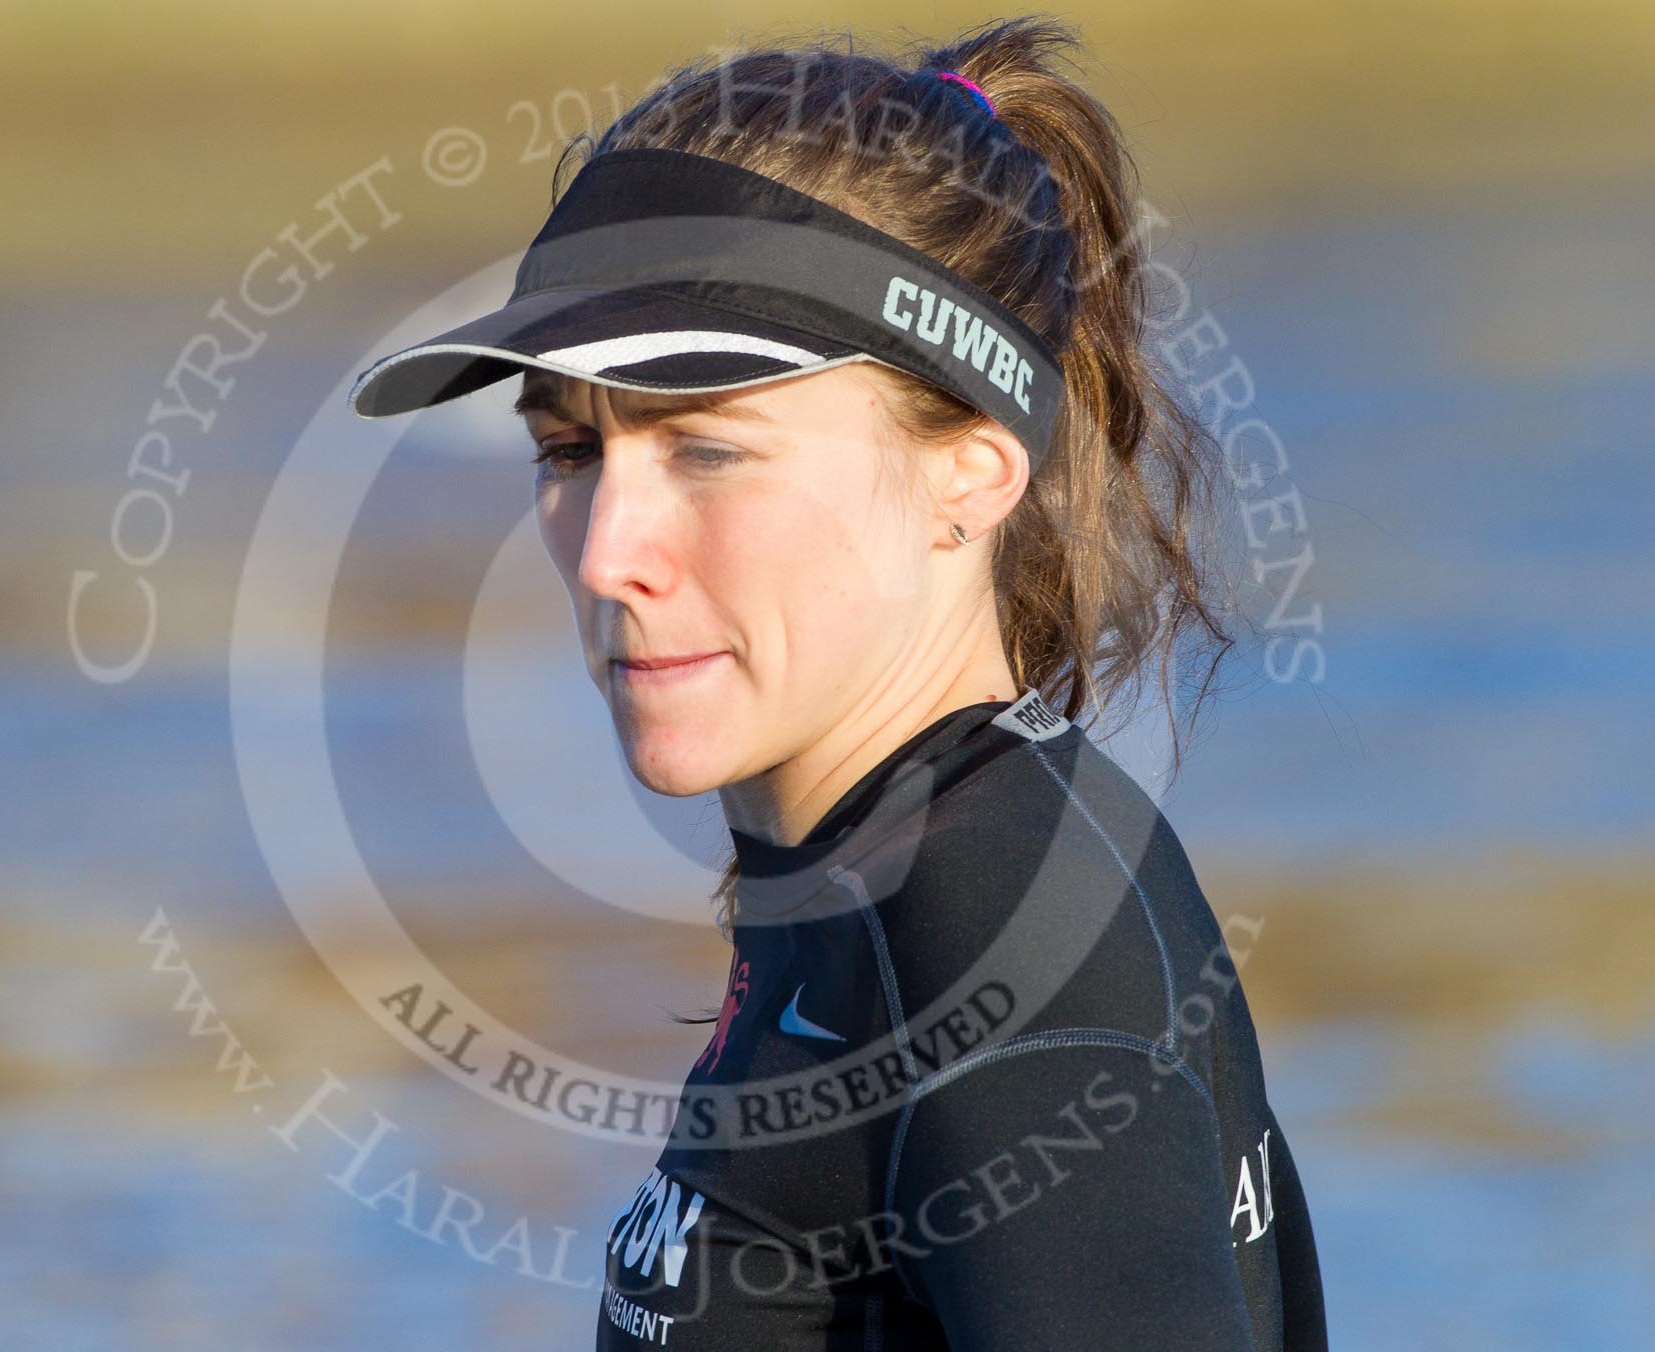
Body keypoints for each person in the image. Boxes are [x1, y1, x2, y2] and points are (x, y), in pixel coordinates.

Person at [350, 14, 1328, 1349]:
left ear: (971, 471)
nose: (608, 552)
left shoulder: (997, 924)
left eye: (705, 449)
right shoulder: (878, 883)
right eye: (570, 451)